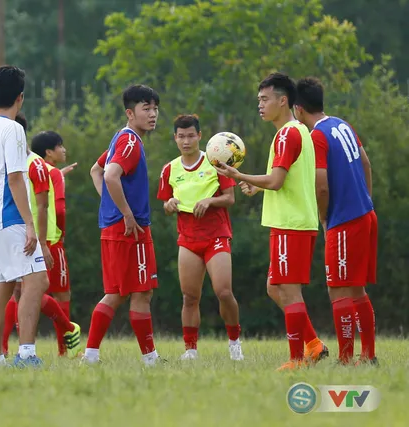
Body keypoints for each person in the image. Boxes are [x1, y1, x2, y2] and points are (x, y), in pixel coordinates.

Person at [215, 73, 328, 370]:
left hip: (291, 223)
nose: (260, 106)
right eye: (258, 100)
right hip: (288, 222)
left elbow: (276, 181)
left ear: (283, 100)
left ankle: (297, 359)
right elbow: (281, 178)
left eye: (265, 100)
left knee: (288, 291)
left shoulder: (289, 133)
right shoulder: (292, 132)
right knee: (274, 288)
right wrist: (255, 184)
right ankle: (314, 345)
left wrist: (239, 176)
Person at [0, 65, 62, 367]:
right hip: (8, 216)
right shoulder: (13, 130)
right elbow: (14, 179)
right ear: (20, 97)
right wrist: (29, 225)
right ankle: (26, 354)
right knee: (36, 280)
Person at [294, 77, 377, 365]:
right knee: (356, 288)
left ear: (298, 109)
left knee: (337, 288)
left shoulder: (317, 135)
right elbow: (366, 163)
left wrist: (325, 219)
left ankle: (345, 359)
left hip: (345, 221)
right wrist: (366, 200)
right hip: (366, 214)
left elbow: (321, 186)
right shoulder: (341, 124)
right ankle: (367, 356)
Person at [83, 84, 162, 366]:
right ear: (130, 113)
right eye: (146, 109)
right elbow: (110, 175)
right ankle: (150, 360)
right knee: (141, 292)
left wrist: (112, 207)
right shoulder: (130, 143)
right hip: (131, 228)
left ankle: (90, 355)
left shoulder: (122, 137)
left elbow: (97, 170)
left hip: (114, 226)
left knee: (116, 292)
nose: (153, 114)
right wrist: (126, 212)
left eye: (155, 108)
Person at [157, 114, 243, 361]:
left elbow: (230, 198)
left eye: (191, 136)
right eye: (181, 136)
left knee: (223, 291)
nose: (186, 141)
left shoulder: (216, 162)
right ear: (175, 138)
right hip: (188, 239)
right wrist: (170, 204)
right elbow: (165, 204)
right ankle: (190, 350)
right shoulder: (169, 169)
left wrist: (209, 200)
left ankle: (235, 342)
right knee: (189, 297)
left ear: (200, 136)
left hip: (216, 235)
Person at [2, 131, 81, 358]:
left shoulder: (21, 166)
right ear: (49, 151)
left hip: (18, 235)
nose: (64, 150)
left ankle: (4, 346)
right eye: (61, 146)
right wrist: (60, 234)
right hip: (48, 239)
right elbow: (58, 208)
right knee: (59, 294)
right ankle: (65, 348)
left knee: (16, 291)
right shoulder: (50, 172)